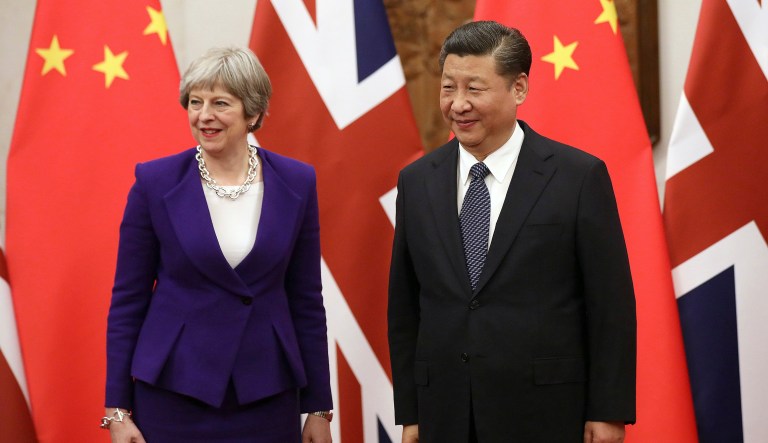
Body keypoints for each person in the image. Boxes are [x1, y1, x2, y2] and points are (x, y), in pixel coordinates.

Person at [388, 21, 636, 443]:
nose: (458, 104)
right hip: (445, 413)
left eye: (474, 89)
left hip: (546, 413)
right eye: (448, 88)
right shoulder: (417, 181)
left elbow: (610, 306)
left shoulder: (577, 177)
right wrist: (411, 412)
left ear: (518, 88)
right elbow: (405, 307)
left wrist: (608, 411)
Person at [103, 47, 333, 443]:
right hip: (174, 391)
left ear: (253, 113)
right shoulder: (155, 182)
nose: (204, 115)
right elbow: (128, 301)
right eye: (195, 102)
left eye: (220, 103)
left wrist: (318, 408)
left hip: (265, 392)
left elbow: (307, 300)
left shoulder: (297, 181)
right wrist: (117, 411)